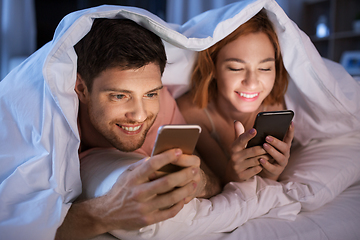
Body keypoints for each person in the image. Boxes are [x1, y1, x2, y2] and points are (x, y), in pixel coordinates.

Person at [177, 10, 294, 185]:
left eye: (265, 68)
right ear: (213, 68)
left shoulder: (275, 108)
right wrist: (232, 174)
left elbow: (265, 185)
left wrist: (272, 173)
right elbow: (220, 181)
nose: (252, 83)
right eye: (235, 68)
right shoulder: (192, 113)